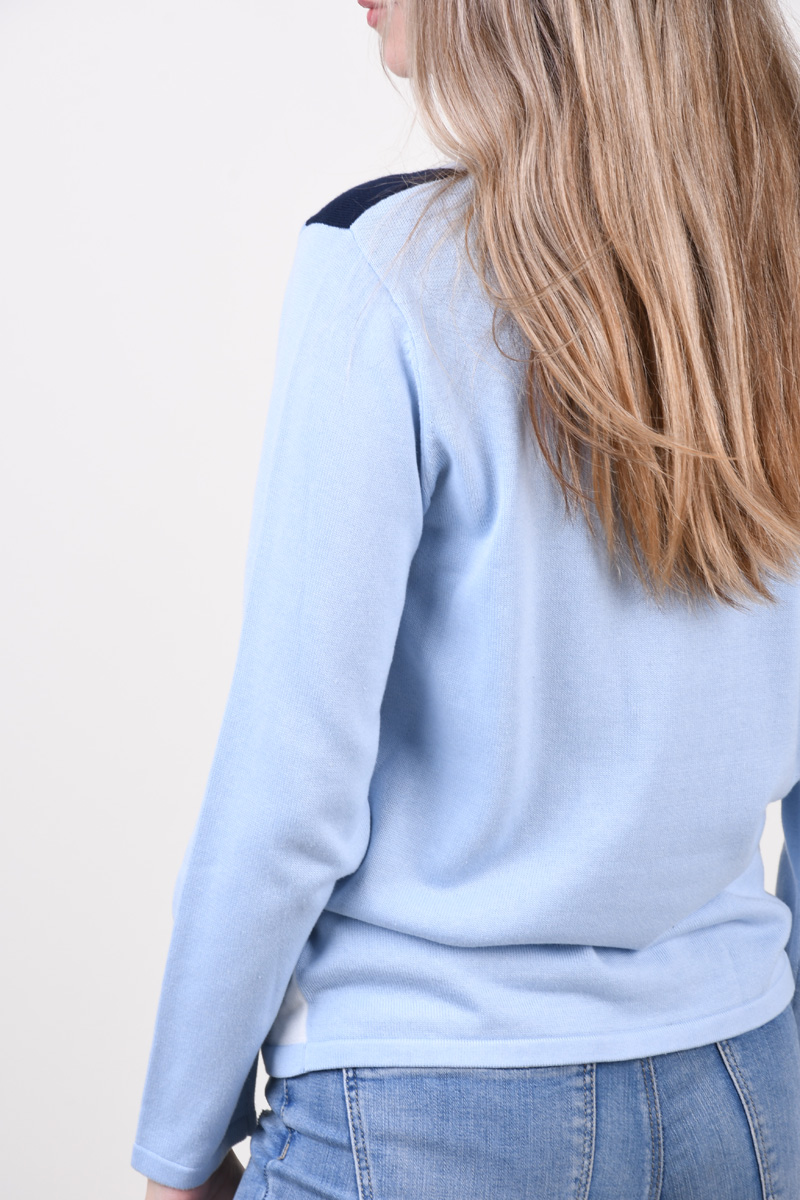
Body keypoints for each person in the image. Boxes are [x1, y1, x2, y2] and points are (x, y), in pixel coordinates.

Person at [133, 1, 800, 1196]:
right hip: (742, 1087)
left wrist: (179, 1147)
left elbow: (292, 786)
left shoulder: (384, 268)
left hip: (430, 1100)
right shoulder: (772, 271)